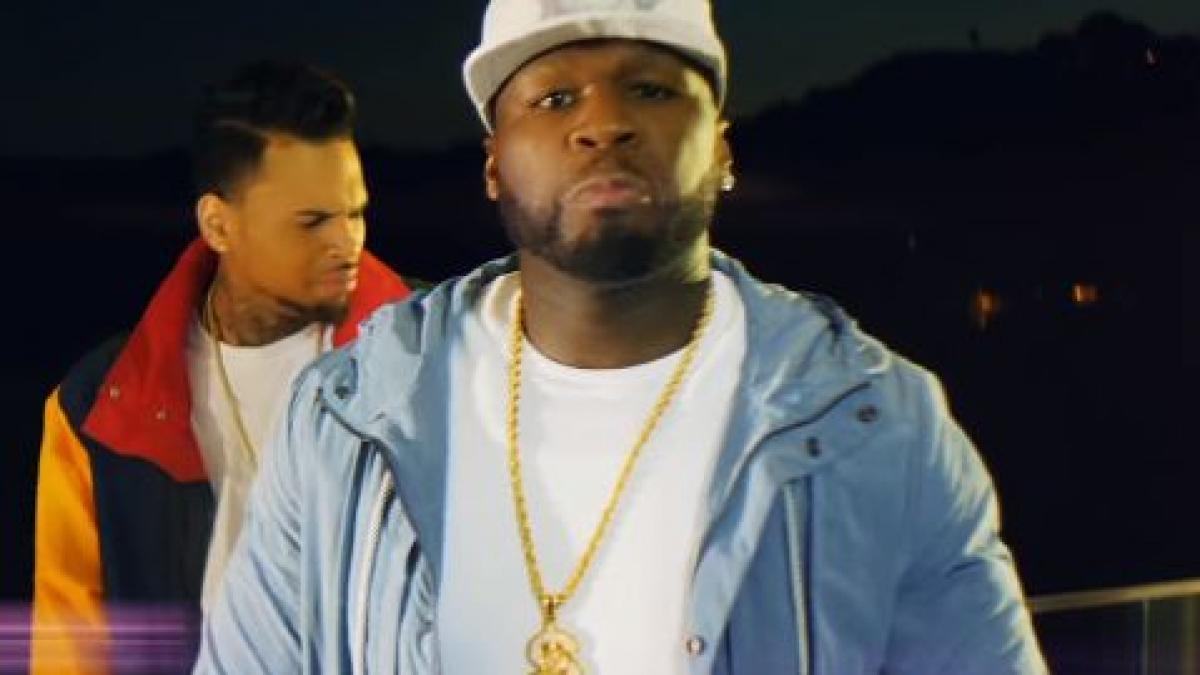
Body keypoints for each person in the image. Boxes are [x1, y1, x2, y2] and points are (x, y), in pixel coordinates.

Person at [197, 2, 1047, 673]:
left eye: (651, 89)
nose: (603, 124)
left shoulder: (880, 423)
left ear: (721, 149)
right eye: (554, 98)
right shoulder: (346, 419)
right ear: (493, 164)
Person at [31, 61, 411, 673]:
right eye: (312, 221)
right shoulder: (96, 406)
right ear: (218, 224)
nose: (347, 243)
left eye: (355, 212)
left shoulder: (436, 357)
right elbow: (70, 644)